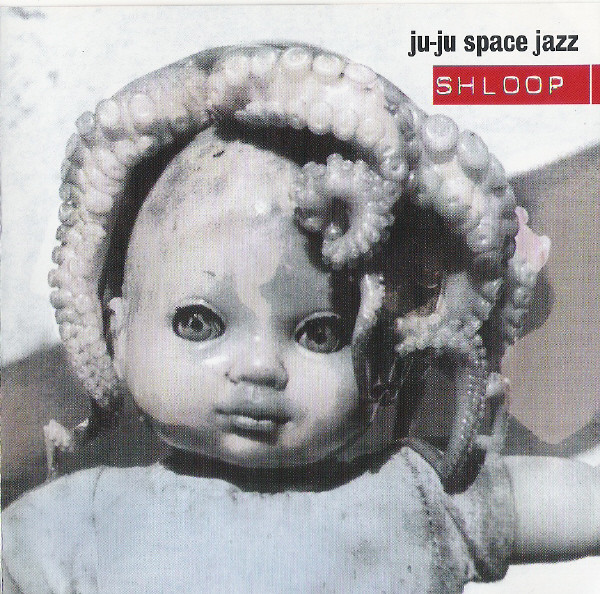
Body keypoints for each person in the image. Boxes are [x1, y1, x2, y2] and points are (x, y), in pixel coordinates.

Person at [2, 43, 599, 594]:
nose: (261, 367)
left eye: (320, 334)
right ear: (118, 333)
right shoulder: (79, 522)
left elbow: (537, 502)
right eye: (199, 324)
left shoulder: (411, 498)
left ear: (382, 362)